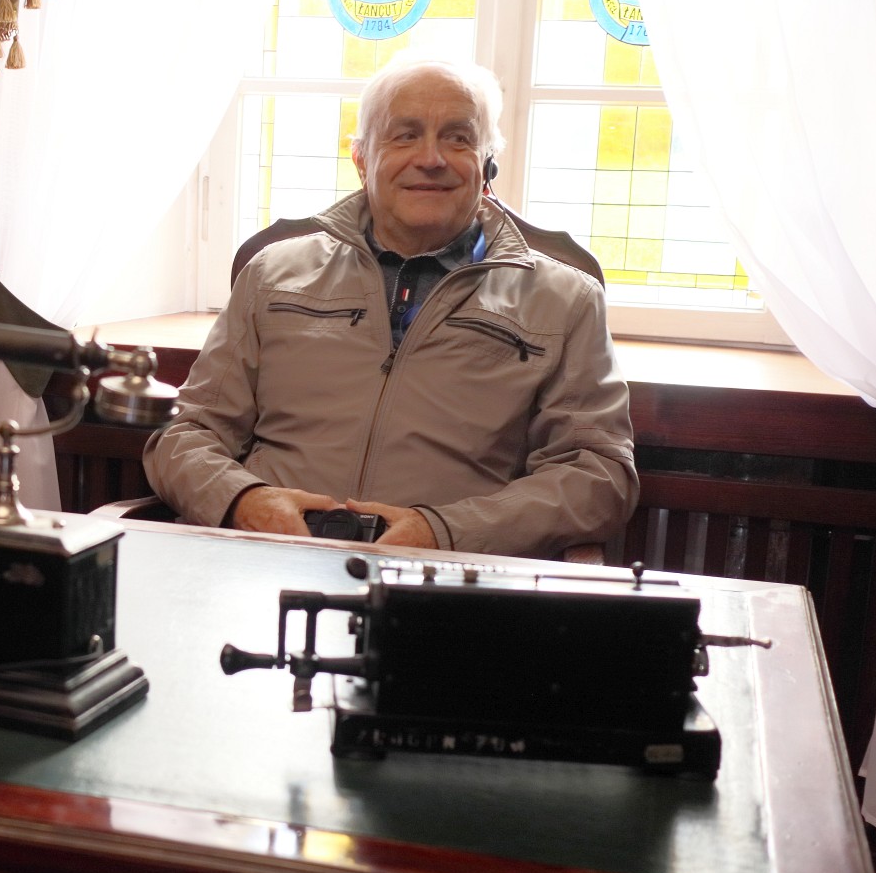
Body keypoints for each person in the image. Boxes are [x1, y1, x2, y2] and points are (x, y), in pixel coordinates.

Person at [143, 57, 637, 559]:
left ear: (488, 164)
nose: (431, 158)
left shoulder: (566, 301)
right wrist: (244, 501)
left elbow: (598, 476)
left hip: (445, 581)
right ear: (361, 159)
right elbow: (186, 433)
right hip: (263, 565)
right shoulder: (272, 274)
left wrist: (446, 532)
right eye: (404, 136)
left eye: (458, 138)